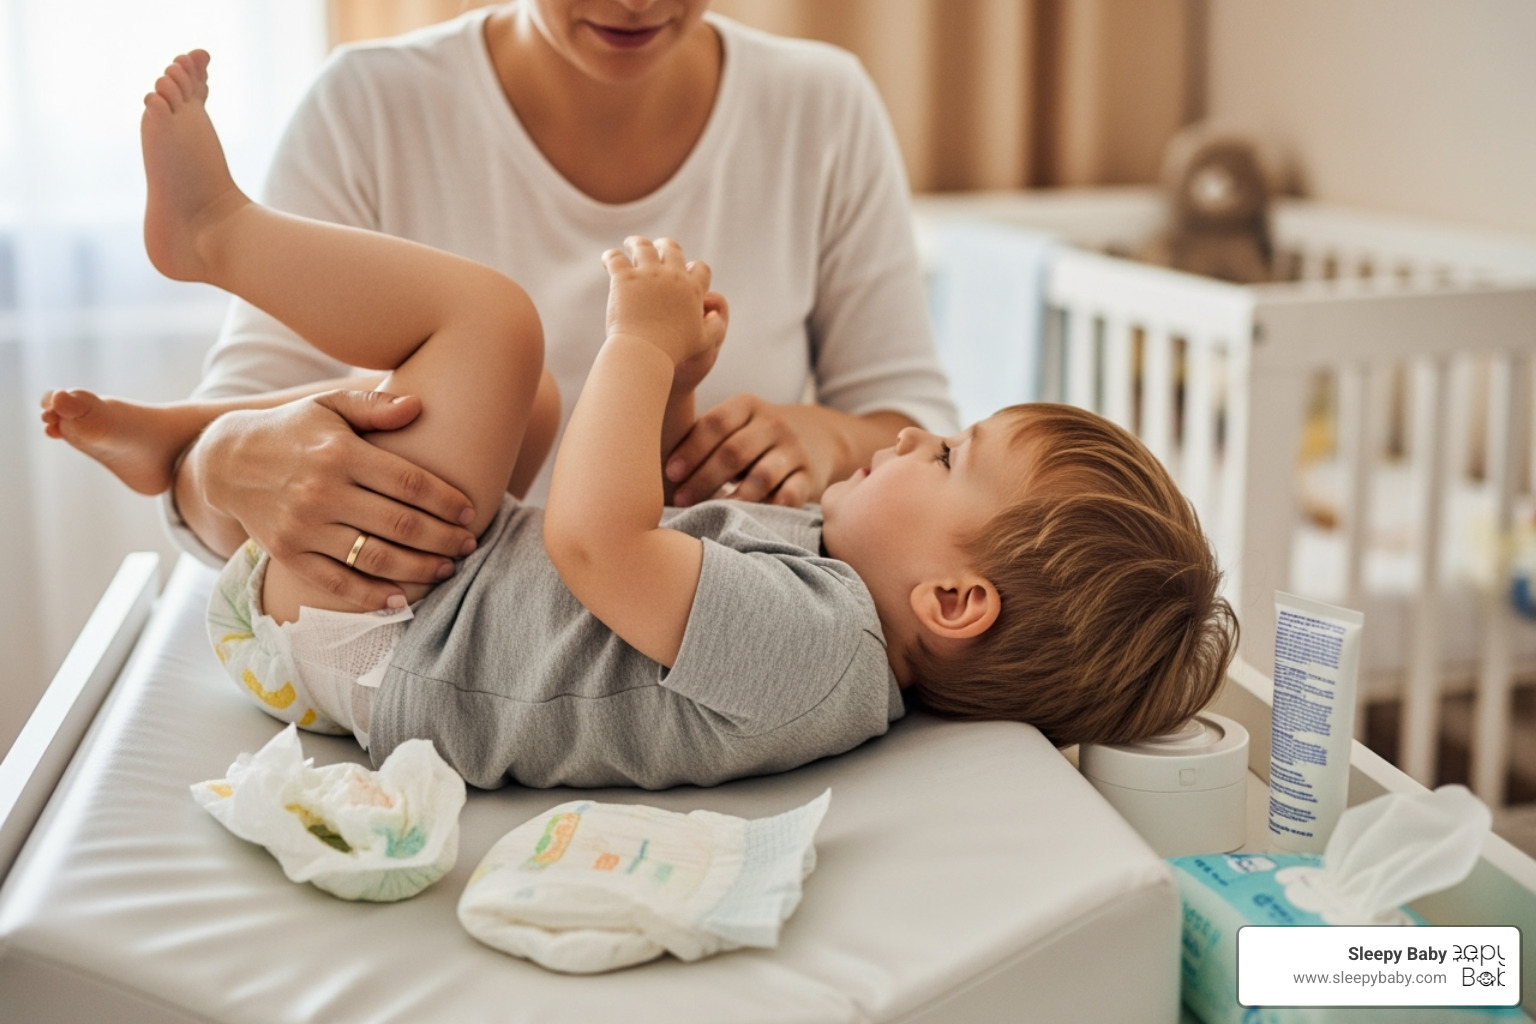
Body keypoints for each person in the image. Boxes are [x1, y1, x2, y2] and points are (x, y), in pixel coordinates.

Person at [45, 51, 1238, 790]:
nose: (909, 436)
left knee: (500, 329)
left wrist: (641, 337)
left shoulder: (821, 650)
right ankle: (188, 437)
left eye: (948, 455)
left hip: (393, 635)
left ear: (955, 600)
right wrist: (672, 391)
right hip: (420, 599)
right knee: (541, 399)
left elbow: (596, 542)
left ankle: (213, 237)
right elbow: (649, 526)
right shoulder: (832, 596)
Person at [161, 0, 961, 617]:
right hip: (427, 624)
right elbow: (210, 462)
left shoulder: (821, 103)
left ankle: (213, 233)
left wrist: (821, 439)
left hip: (677, 637)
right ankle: (212, 234)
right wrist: (220, 468)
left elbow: (917, 421)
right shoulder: (370, 104)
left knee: (503, 351)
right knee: (504, 351)